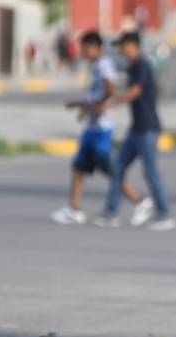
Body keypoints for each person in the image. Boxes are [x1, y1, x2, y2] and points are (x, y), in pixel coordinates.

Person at [51, 31, 152, 227]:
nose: (82, 52)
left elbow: (110, 91)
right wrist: (81, 105)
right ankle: (74, 208)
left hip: (100, 129)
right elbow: (98, 95)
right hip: (92, 127)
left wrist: (96, 107)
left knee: (109, 169)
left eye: (84, 48)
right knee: (79, 167)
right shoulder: (97, 65)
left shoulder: (104, 65)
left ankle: (138, 201)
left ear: (94, 47)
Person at [96, 31, 175, 231]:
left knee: (150, 172)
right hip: (136, 129)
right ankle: (111, 212)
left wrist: (111, 103)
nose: (121, 50)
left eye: (123, 46)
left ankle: (164, 214)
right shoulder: (133, 67)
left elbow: (136, 91)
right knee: (117, 168)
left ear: (133, 46)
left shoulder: (142, 65)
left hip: (147, 129)